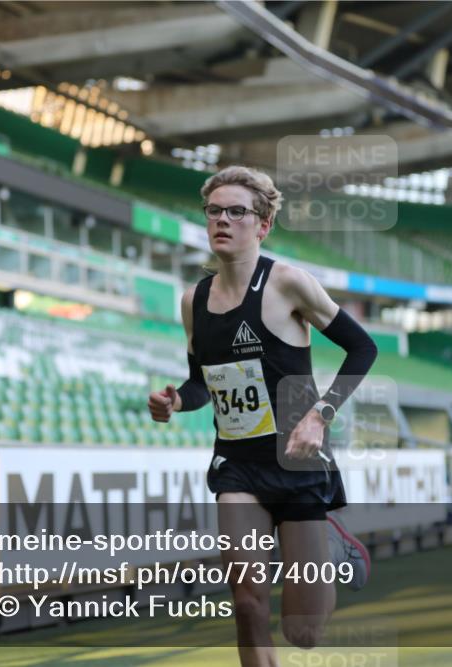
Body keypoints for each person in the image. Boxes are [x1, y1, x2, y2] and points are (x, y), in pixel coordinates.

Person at [147, 165, 378, 664]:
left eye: (237, 211)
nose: (222, 220)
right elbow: (200, 383)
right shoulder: (193, 301)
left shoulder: (289, 283)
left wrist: (320, 415)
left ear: (263, 224)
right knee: (248, 604)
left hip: (297, 462)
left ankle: (335, 551)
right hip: (238, 464)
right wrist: (175, 402)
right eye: (214, 210)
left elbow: (363, 348)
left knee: (303, 632)